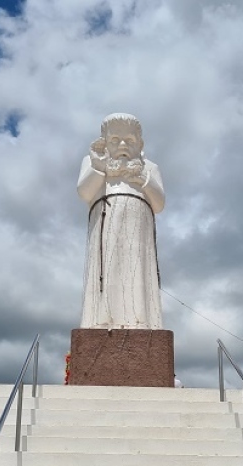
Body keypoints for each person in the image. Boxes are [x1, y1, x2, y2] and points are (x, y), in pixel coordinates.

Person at [77, 113, 165, 329]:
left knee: (137, 270)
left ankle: (141, 320)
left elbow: (160, 202)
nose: (123, 145)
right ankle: (101, 319)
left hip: (139, 225)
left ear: (140, 144)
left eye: (130, 140)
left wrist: (144, 180)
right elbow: (85, 192)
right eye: (115, 140)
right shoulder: (93, 161)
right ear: (104, 142)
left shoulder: (149, 167)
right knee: (106, 268)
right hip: (105, 220)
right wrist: (99, 167)